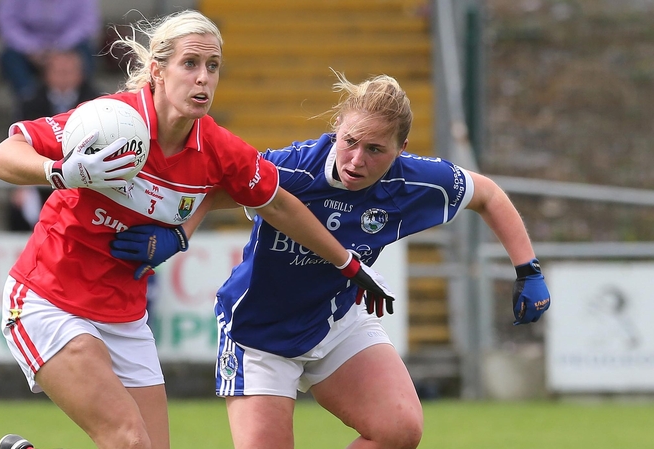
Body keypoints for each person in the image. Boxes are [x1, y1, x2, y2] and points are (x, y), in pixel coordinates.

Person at [0, 11, 393, 449]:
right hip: (48, 299)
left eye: (212, 66)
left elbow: (277, 204)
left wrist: (348, 263)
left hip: (124, 315)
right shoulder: (111, 120)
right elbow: (1, 155)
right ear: (158, 71)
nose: (203, 79)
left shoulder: (217, 148)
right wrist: (60, 171)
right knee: (129, 441)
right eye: (190, 64)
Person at [110, 72, 552, 449]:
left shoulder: (419, 182)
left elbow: (488, 195)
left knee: (400, 430)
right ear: (337, 127)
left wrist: (527, 269)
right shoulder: (292, 169)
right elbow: (212, 187)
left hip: (337, 322)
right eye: (350, 142)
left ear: (401, 148)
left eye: (375, 150)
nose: (356, 160)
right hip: (257, 334)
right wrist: (177, 236)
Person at [6, 50, 101, 232]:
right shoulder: (29, 102)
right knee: (21, 206)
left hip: (85, 174)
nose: (63, 77)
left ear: (81, 74)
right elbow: (17, 143)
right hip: (40, 171)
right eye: (58, 72)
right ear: (46, 74)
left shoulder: (98, 102)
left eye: (69, 71)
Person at [0, 0, 100, 106]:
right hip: (27, 49)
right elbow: (7, 22)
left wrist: (59, 47)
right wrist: (32, 47)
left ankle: (84, 102)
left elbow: (86, 23)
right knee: (10, 58)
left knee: (86, 53)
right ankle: (28, 103)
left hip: (68, 46)